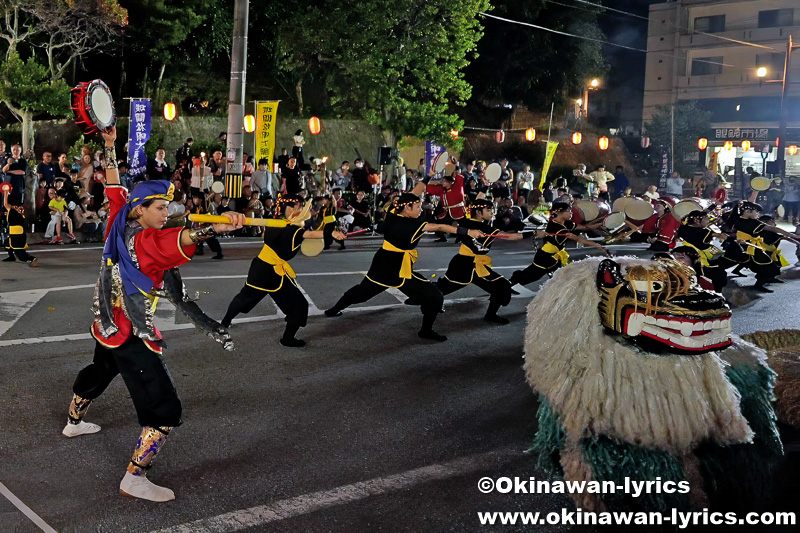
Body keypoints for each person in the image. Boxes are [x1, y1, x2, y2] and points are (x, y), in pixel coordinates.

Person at [62, 126, 245, 502]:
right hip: (130, 332)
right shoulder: (146, 240)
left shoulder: (119, 219)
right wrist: (217, 227)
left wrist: (110, 145)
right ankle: (135, 476)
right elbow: (181, 239)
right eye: (160, 208)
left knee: (100, 370)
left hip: (106, 322)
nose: (167, 213)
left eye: (168, 207)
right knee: (165, 408)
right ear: (141, 209)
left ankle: (73, 422)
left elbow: (113, 183)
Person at [324, 179, 486, 342]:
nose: (421, 209)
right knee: (433, 296)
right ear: (407, 207)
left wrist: (427, 178)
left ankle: (334, 309)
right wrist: (468, 231)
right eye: (418, 207)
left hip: (390, 265)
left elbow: (413, 195)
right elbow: (440, 227)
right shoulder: (417, 224)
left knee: (362, 293)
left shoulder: (393, 214)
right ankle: (423, 321)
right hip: (391, 267)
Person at [221, 194, 345, 347]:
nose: (299, 209)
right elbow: (309, 234)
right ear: (286, 208)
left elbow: (305, 232)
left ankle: (286, 338)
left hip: (270, 270)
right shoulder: (285, 227)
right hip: (265, 271)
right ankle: (226, 322)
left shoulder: (281, 223)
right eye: (295, 206)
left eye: (300, 206)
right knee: (245, 299)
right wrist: (331, 233)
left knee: (296, 305)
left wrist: (326, 223)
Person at [436, 199, 528, 324]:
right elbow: (511, 236)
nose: (492, 212)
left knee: (501, 285)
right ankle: (425, 312)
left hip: (473, 264)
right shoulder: (481, 227)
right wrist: (533, 233)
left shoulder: (467, 223)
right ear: (479, 212)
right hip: (463, 265)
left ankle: (491, 315)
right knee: (440, 290)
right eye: (489, 210)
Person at [509, 202, 609, 287]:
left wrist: (599, 224)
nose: (571, 213)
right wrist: (596, 245)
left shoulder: (565, 223)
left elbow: (583, 227)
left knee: (566, 275)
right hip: (545, 257)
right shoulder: (556, 227)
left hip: (555, 257)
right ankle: (508, 284)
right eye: (568, 211)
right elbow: (578, 239)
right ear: (559, 212)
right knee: (528, 277)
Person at [676, 210, 746, 292]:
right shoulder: (702, 232)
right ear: (696, 221)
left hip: (685, 258)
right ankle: (715, 295)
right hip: (698, 261)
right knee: (719, 275)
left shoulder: (683, 228)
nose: (708, 220)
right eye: (705, 218)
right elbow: (720, 236)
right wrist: (728, 238)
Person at [426, 171, 467, 242]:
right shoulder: (441, 189)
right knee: (441, 222)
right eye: (442, 181)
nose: (442, 183)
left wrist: (456, 168)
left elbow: (459, 178)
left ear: (450, 182)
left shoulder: (457, 187)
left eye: (444, 181)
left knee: (462, 224)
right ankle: (442, 237)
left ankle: (461, 238)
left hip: (458, 210)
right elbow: (428, 188)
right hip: (446, 211)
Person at [3, 187, 38, 266]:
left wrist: (5, 192)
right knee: (7, 244)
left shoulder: (12, 210)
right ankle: (11, 257)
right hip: (18, 232)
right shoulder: (21, 210)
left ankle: (32, 258)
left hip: (16, 234)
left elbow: (5, 203)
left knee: (20, 254)